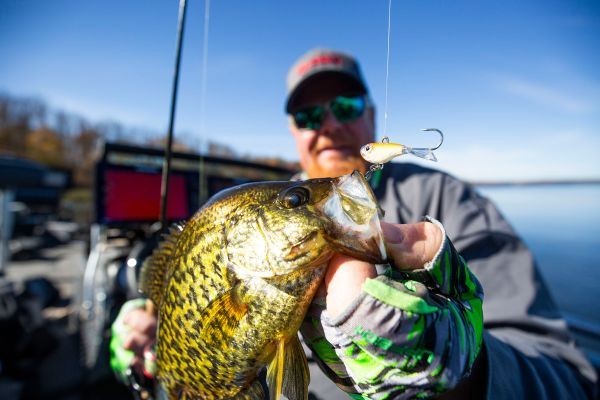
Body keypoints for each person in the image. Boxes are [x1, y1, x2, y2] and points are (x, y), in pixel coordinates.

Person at [111, 48, 598, 399]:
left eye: (345, 107)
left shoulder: (444, 200)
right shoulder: (254, 210)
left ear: (371, 115)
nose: (329, 125)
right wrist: (153, 342)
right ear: (294, 132)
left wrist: (462, 373)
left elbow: (568, 377)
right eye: (309, 115)